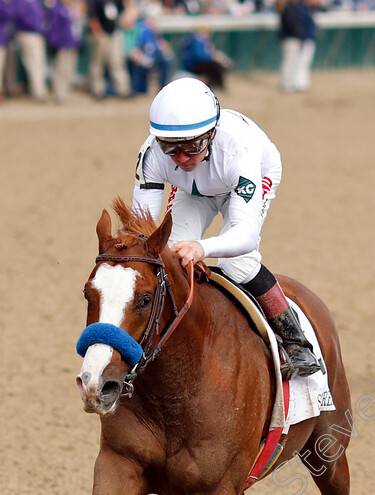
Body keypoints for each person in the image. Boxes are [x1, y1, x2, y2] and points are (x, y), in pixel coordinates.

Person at [131, 77, 320, 379]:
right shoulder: (152, 154)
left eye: (193, 146)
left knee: (237, 264)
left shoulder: (238, 151)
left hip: (249, 177)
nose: (182, 157)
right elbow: (142, 227)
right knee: (169, 259)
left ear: (212, 133)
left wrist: (202, 247)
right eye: (171, 148)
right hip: (192, 190)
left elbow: (245, 236)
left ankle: (297, 343)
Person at [87, 0, 130, 99]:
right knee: (98, 63)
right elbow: (92, 16)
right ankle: (97, 90)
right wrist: (97, 32)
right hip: (100, 33)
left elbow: (121, 11)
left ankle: (122, 89)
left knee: (117, 61)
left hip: (113, 31)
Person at [123, 9, 172, 94]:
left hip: (154, 56)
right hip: (141, 56)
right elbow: (133, 46)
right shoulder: (138, 29)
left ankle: (162, 88)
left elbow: (160, 45)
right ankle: (138, 90)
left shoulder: (154, 31)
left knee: (165, 62)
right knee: (140, 65)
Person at [47, 0, 84, 103]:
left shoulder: (72, 9)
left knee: (69, 69)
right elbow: (54, 27)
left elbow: (76, 27)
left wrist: (77, 42)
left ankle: (66, 92)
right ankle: (59, 94)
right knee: (61, 70)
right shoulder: (57, 8)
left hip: (72, 44)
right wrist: (55, 44)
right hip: (62, 45)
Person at [277, 0, 316, 93]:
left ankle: (297, 83)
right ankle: (287, 84)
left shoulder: (300, 7)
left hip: (299, 38)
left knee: (298, 63)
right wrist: (301, 36)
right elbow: (293, 25)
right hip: (292, 39)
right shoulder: (289, 8)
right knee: (289, 62)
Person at [13, 0, 48, 101]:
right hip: (27, 33)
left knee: (39, 64)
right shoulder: (21, 2)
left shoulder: (36, 2)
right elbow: (20, 16)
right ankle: (38, 91)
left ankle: (37, 89)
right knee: (33, 64)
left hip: (37, 34)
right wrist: (37, 27)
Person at [179, 26, 232, 90]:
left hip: (198, 63)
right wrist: (212, 57)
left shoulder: (200, 41)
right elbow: (199, 56)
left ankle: (214, 84)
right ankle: (217, 86)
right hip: (193, 65)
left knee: (216, 65)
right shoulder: (196, 40)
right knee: (215, 66)